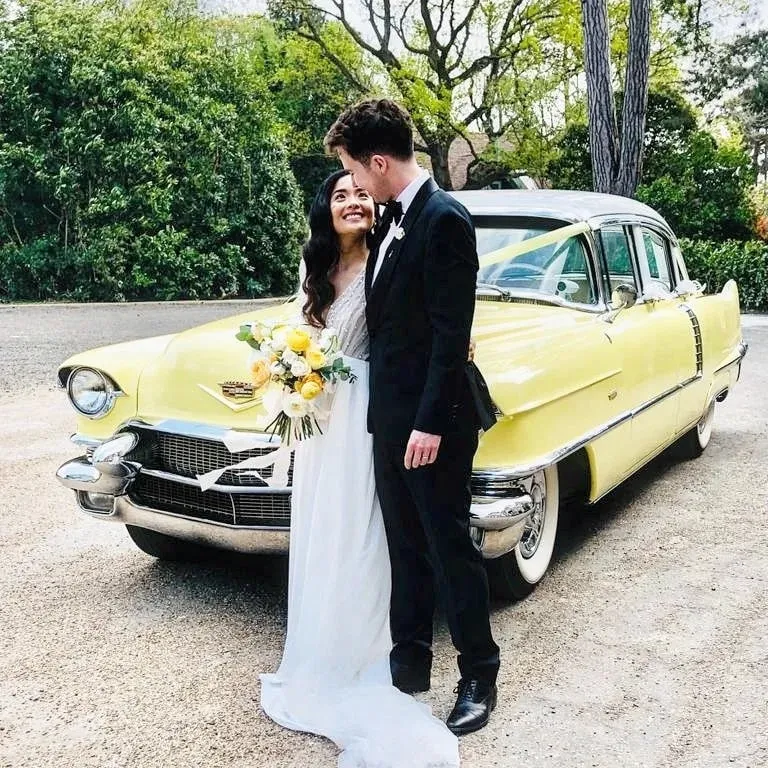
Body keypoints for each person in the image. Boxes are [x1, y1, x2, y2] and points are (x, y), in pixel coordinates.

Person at [260, 169, 460, 768]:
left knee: (366, 530)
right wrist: (286, 370)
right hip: (320, 418)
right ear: (326, 209)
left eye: (359, 194)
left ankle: (368, 647)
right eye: (338, 195)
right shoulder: (315, 269)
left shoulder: (390, 258)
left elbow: (427, 323)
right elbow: (303, 332)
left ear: (375, 205)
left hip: (371, 411)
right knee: (322, 528)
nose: (351, 202)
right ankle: (318, 642)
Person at [324, 99, 500, 735]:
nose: (356, 186)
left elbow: (453, 335)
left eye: (354, 170)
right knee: (403, 543)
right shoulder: (389, 221)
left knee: (448, 543)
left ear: (377, 161)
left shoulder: (444, 218)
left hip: (436, 422)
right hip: (387, 417)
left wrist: (427, 423)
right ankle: (410, 663)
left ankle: (480, 671)